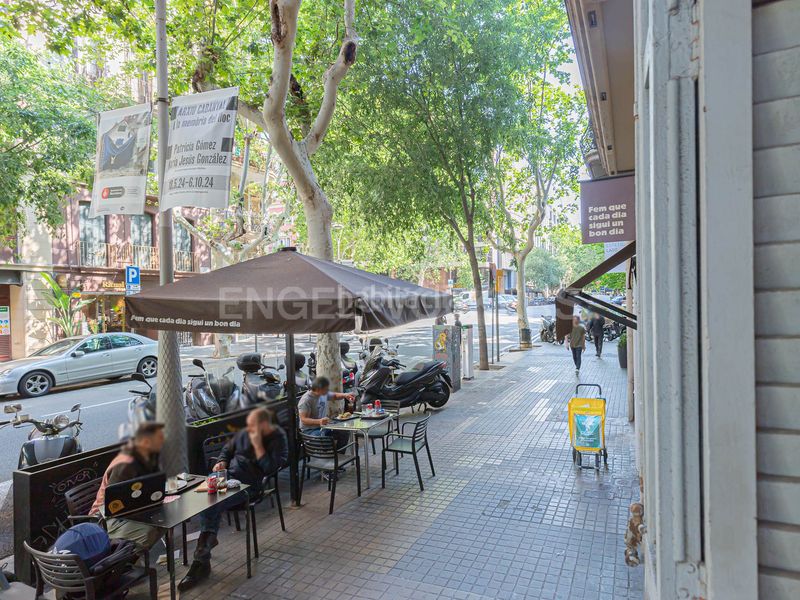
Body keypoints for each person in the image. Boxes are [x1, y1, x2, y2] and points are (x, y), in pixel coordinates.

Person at [179, 408, 288, 591]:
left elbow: (271, 468)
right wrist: (221, 461)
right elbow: (227, 449)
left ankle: (201, 560)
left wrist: (259, 448)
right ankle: (207, 544)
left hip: (249, 485)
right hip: (228, 476)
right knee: (200, 496)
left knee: (210, 502)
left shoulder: (278, 439)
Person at [89, 422, 165, 551]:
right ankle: (125, 560)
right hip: (104, 517)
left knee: (163, 521)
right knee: (148, 532)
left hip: (131, 510)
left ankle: (134, 556)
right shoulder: (126, 464)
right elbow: (113, 501)